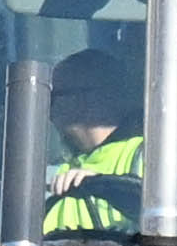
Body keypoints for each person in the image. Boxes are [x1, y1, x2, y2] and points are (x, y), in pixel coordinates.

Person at [44, 46, 145, 233]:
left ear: (84, 99)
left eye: (52, 99)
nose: (48, 113)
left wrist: (106, 186)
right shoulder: (60, 171)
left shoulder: (158, 156)